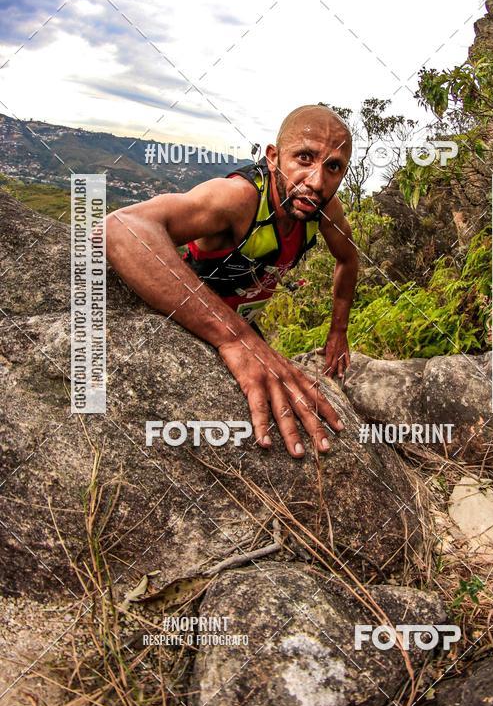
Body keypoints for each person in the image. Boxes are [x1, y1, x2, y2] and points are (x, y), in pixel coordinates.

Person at [106, 104, 359, 458]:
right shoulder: (239, 199)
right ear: (273, 158)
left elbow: (348, 258)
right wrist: (236, 338)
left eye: (333, 167)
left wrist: (338, 332)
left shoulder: (323, 208)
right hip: (191, 319)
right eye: (304, 158)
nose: (317, 182)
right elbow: (123, 227)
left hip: (242, 329)